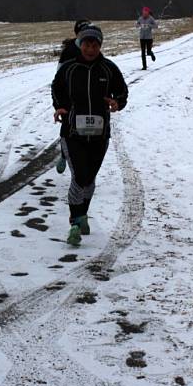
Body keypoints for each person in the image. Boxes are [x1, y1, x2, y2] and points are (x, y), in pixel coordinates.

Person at [51, 24, 129, 246]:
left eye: (95, 45)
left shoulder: (108, 69)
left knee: (89, 179)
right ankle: (75, 222)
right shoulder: (68, 69)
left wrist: (117, 102)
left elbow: (122, 91)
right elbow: (56, 89)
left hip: (99, 136)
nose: (90, 49)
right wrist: (59, 107)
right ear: (80, 44)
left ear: (100, 46)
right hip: (71, 133)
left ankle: (82, 214)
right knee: (80, 177)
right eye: (86, 44)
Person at [55, 19, 91, 174]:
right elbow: (58, 75)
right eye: (84, 31)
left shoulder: (93, 48)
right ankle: (64, 155)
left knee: (88, 127)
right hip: (69, 95)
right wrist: (59, 102)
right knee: (68, 126)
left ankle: (85, 159)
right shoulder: (69, 51)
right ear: (78, 33)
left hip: (87, 95)